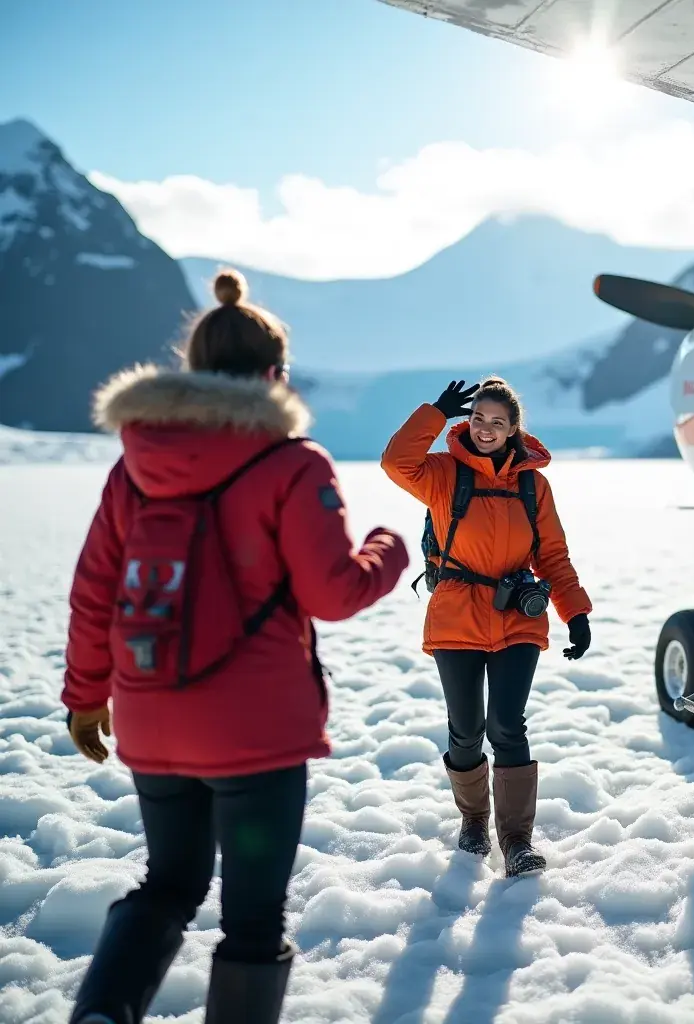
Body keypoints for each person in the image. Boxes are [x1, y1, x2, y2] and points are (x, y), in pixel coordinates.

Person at [61, 269, 409, 1024]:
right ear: (275, 374)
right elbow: (332, 594)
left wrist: (86, 698)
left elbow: (94, 592)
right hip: (255, 734)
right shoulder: (292, 464)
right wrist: (389, 549)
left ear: (191, 371)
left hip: (150, 719)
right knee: (252, 921)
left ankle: (103, 1013)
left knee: (169, 885)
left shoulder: (134, 466)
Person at [381, 376, 592, 877]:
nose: (485, 429)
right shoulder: (442, 474)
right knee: (467, 730)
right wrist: (434, 413)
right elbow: (395, 462)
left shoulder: (532, 485)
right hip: (457, 614)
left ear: (514, 428)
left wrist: (575, 612)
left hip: (517, 615)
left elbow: (552, 556)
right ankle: (473, 820)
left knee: (506, 725)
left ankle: (517, 841)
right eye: (478, 418)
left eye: (497, 422)